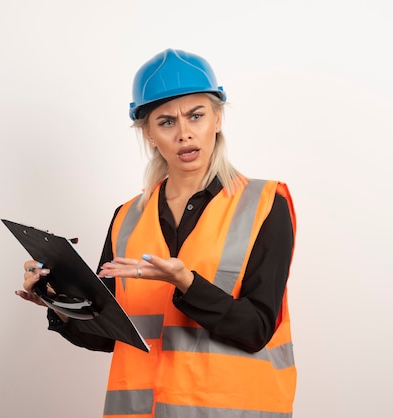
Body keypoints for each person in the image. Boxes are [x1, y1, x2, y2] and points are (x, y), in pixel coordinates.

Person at [15, 48, 297, 418]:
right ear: (147, 132)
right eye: (166, 122)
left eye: (196, 116)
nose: (184, 134)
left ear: (217, 118)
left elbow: (257, 329)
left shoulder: (265, 203)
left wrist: (187, 283)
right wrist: (58, 305)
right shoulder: (127, 217)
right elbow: (107, 335)